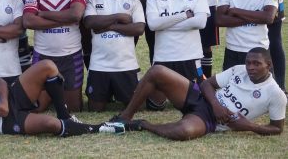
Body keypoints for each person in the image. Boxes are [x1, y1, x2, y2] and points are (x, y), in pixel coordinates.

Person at [0, 50, 124, 143]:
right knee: (51, 125)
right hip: (2, 122)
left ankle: (66, 116)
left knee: (47, 66)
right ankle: (101, 128)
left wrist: (3, 101)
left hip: (9, 99)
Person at [110, 47, 286, 141]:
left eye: (256, 64)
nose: (250, 68)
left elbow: (277, 128)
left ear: (268, 65)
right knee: (157, 71)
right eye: (248, 63)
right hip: (203, 99)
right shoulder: (239, 70)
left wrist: (249, 126)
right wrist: (216, 105)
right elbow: (207, 83)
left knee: (184, 131)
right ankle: (125, 117)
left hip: (210, 119)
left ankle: (143, 124)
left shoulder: (275, 94)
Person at [23, 0, 86, 112]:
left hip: (71, 56)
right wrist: (63, 19)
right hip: (43, 55)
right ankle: (51, 92)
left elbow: (75, 15)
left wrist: (43, 14)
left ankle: (56, 92)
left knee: (74, 108)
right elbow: (29, 21)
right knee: (38, 108)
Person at [145, 0, 209, 110]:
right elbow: (153, 25)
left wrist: (165, 24)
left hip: (189, 55)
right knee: (155, 106)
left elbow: (200, 22)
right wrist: (184, 16)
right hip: (164, 56)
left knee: (197, 103)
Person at [83, 0, 145, 111]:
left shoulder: (132, 0)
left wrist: (109, 26)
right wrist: (120, 17)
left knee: (136, 107)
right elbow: (89, 22)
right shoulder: (93, 0)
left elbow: (139, 28)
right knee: (95, 109)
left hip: (126, 65)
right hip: (99, 66)